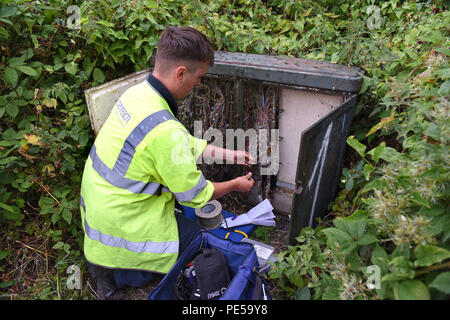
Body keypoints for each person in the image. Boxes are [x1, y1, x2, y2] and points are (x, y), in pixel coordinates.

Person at [80, 26, 255, 299]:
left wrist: (230, 154)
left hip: (99, 217)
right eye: (199, 77)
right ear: (181, 73)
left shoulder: (137, 95)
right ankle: (120, 275)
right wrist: (235, 184)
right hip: (117, 233)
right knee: (199, 237)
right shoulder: (165, 130)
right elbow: (196, 196)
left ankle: (107, 271)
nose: (199, 84)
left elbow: (182, 144)